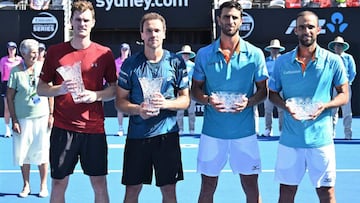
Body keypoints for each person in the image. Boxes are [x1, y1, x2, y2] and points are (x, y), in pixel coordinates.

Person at [36, 1, 117, 203]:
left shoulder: (104, 53)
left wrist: (95, 95)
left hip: (94, 130)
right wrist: (60, 89)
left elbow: (114, 89)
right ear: (71, 22)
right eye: (78, 19)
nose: (82, 23)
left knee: (99, 184)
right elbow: (41, 88)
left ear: (93, 23)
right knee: (58, 183)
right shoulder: (55, 52)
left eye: (86, 20)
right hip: (63, 130)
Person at [191, 1, 268, 202]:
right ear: (219, 19)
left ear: (241, 21)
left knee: (251, 185)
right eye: (226, 16)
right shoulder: (204, 54)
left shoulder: (255, 54)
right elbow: (195, 90)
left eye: (235, 17)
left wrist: (249, 103)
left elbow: (263, 92)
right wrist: (207, 100)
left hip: (244, 133)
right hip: (212, 133)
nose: (230, 21)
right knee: (207, 186)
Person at [269, 11, 348, 203]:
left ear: (318, 30)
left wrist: (326, 105)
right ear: (295, 30)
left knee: (326, 194)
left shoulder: (333, 61)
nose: (307, 31)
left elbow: (344, 95)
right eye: (302, 27)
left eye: (311, 26)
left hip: (320, 141)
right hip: (290, 140)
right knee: (286, 193)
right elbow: (272, 94)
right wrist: (286, 106)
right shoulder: (282, 62)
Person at [115, 12, 190, 203]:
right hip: (137, 137)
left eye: (157, 30)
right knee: (132, 191)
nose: (153, 34)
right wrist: (138, 110)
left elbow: (185, 100)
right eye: (148, 31)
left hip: (167, 136)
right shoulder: (130, 64)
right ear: (141, 34)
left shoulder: (176, 62)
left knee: (169, 191)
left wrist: (166, 103)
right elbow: (120, 102)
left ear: (164, 33)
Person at [7, 39, 53, 198]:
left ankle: (43, 185)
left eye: (36, 51)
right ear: (23, 54)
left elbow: (49, 90)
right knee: (23, 153)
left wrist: (52, 114)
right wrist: (14, 120)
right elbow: (9, 96)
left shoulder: (43, 67)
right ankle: (26, 185)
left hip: (42, 116)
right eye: (32, 52)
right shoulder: (15, 71)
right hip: (22, 118)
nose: (35, 54)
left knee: (42, 152)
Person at [328, 36, 356, 140]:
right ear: (334, 47)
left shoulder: (348, 58)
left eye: (340, 45)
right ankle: (331, 135)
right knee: (333, 111)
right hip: (335, 87)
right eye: (336, 45)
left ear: (343, 47)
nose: (338, 47)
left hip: (345, 86)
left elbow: (353, 72)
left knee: (347, 111)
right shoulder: (331, 58)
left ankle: (348, 135)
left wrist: (348, 83)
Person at [261, 39, 285, 137]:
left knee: (281, 110)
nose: (274, 51)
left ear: (279, 50)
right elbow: (264, 75)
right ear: (270, 50)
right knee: (267, 110)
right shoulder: (266, 61)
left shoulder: (283, 61)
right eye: (272, 49)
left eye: (276, 49)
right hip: (269, 89)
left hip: (280, 90)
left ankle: (282, 130)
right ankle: (268, 129)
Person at [0, 41, 23, 138]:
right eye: (10, 48)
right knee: (7, 107)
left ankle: (19, 127)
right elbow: (2, 73)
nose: (11, 50)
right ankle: (7, 129)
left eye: (13, 48)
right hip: (7, 84)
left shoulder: (20, 60)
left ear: (16, 49)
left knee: (19, 107)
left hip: (18, 84)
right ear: (7, 49)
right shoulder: (3, 60)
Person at [176, 44, 196, 135]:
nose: (186, 55)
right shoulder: (177, 65)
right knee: (180, 111)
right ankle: (180, 129)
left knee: (191, 111)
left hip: (191, 91)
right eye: (184, 53)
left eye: (187, 54)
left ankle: (192, 129)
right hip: (180, 91)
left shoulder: (193, 65)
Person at [114, 42, 131, 136]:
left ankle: (130, 128)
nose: (124, 51)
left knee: (131, 108)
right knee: (120, 109)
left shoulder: (132, 61)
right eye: (123, 49)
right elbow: (114, 75)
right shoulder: (116, 62)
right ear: (120, 50)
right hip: (120, 88)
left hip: (131, 88)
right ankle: (120, 128)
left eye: (126, 50)